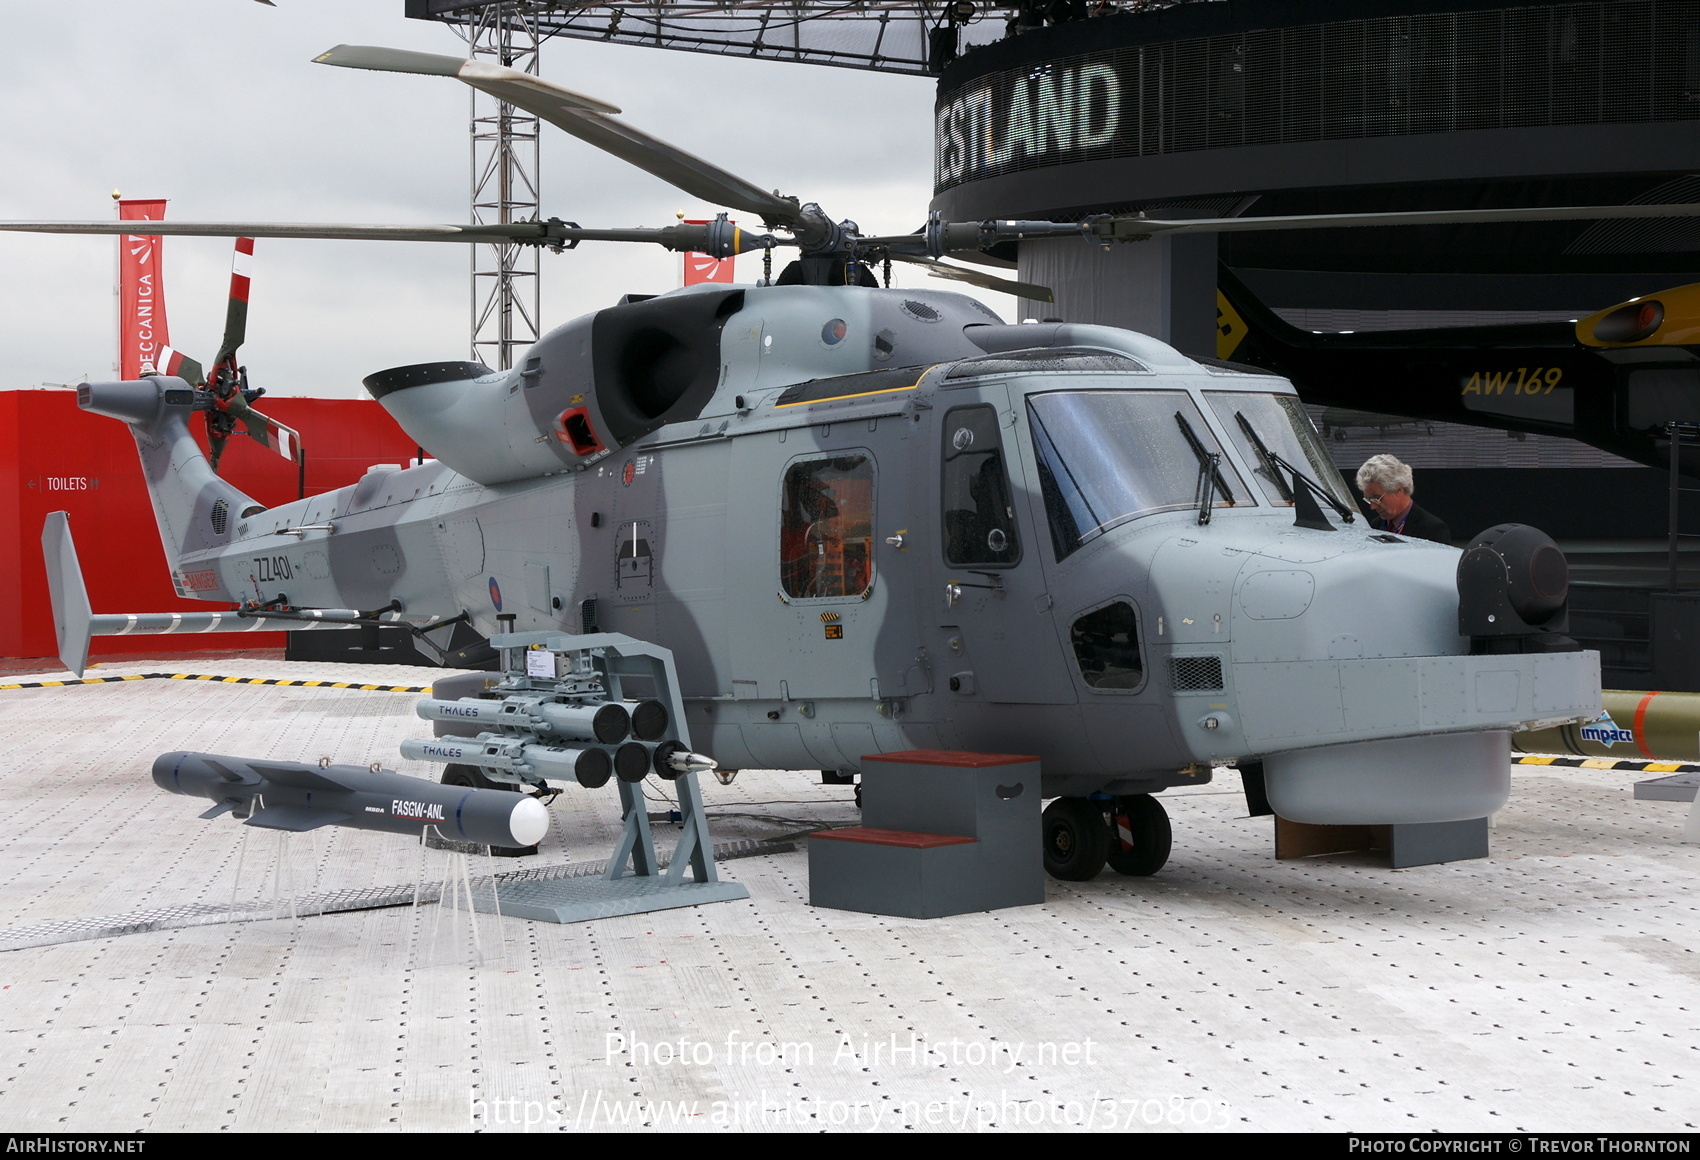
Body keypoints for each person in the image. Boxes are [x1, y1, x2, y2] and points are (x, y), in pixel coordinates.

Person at [1356, 453, 1452, 543]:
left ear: (1398, 490)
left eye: (1377, 498)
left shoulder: (1433, 530)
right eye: (1369, 500)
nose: (1373, 507)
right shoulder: (1376, 525)